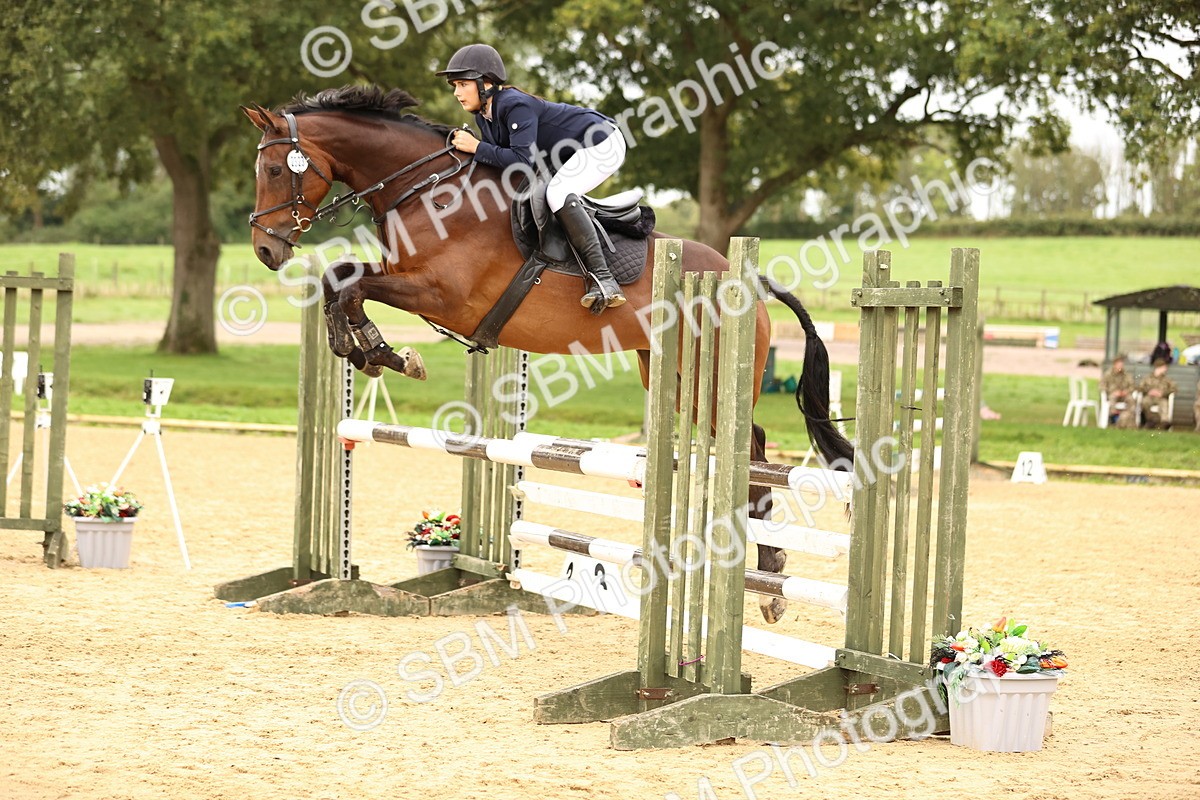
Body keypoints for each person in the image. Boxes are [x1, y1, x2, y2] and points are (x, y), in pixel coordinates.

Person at [437, 44, 627, 311]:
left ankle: (605, 280)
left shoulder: (515, 105)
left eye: (462, 84)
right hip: (569, 153)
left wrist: (477, 147)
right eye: (454, 85)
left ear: (486, 83)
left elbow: (521, 162)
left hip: (601, 142)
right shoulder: (484, 116)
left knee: (557, 194)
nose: (457, 93)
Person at [1137, 359, 1177, 429]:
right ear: (1158, 367)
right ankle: (1151, 420)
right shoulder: (1147, 378)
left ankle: (1164, 423)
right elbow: (1140, 387)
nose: (1166, 369)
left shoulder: (1167, 379)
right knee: (1144, 402)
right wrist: (1149, 391)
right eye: (1164, 367)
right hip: (1149, 397)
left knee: (1164, 404)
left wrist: (1163, 393)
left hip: (1161, 398)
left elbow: (1174, 389)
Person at [1100, 355, 1136, 429]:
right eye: (1119, 364)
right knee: (1112, 398)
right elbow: (1102, 386)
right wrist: (1112, 392)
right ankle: (1113, 418)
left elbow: (1132, 386)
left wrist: (1126, 391)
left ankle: (1128, 419)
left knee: (1131, 399)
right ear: (1115, 364)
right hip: (1113, 395)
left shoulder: (1126, 375)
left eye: (1122, 364)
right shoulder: (1108, 374)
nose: (1120, 366)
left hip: (1124, 395)